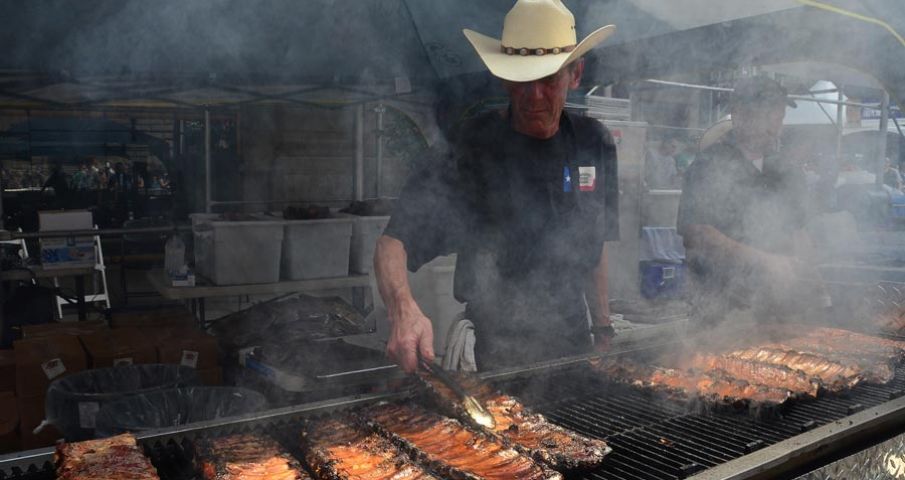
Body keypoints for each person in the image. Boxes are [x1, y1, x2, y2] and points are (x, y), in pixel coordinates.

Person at [374, 0, 620, 372]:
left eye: (548, 79)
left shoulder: (594, 142)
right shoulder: (469, 146)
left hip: (573, 341)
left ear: (575, 74)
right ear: (503, 77)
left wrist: (602, 327)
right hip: (495, 349)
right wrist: (403, 309)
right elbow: (392, 244)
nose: (534, 97)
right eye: (522, 81)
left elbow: (595, 244)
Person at [678, 76, 821, 324]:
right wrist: (766, 262)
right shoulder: (709, 165)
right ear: (739, 115)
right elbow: (697, 233)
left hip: (776, 302)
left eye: (779, 118)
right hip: (720, 303)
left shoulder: (788, 170)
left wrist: (811, 276)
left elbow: (799, 229)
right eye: (769, 118)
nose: (776, 128)